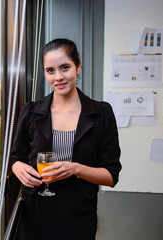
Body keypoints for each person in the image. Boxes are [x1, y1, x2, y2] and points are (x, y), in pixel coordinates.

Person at [11, 38, 122, 240]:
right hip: (35, 215)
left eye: (65, 67)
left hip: (78, 217)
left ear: (78, 67)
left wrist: (75, 169)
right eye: (50, 70)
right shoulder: (31, 111)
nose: (58, 77)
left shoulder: (101, 113)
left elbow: (111, 176)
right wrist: (17, 167)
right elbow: (16, 158)